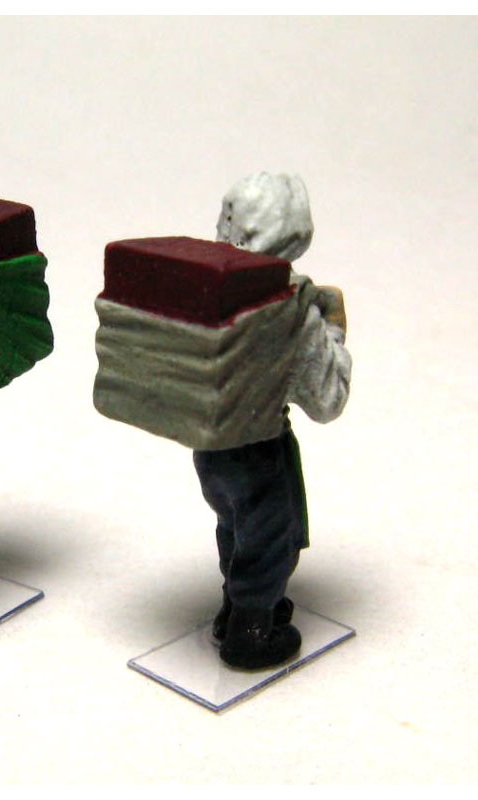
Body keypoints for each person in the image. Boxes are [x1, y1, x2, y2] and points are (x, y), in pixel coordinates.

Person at [194, 172, 351, 669]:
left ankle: (234, 607)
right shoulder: (288, 307)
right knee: (270, 535)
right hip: (259, 442)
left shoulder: (204, 290)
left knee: (234, 524)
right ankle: (251, 630)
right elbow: (327, 399)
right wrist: (332, 330)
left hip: (209, 444)